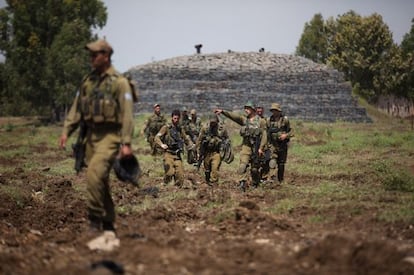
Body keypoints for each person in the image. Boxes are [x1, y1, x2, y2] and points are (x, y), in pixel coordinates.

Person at [59, 39, 135, 251]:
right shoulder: (88, 82)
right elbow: (76, 109)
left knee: (93, 174)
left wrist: (126, 142)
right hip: (90, 137)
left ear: (106, 56)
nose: (91, 59)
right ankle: (109, 224)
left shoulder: (119, 83)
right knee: (101, 180)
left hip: (110, 137)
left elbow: (128, 115)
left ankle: (94, 222)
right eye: (90, 55)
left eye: (95, 55)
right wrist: (67, 130)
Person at [215, 101, 267, 190]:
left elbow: (265, 135)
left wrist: (261, 148)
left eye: (248, 108)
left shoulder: (261, 121)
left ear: (253, 109)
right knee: (242, 166)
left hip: (256, 147)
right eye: (245, 108)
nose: (246, 110)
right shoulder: (244, 120)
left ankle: (256, 182)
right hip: (246, 146)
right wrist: (223, 112)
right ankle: (242, 182)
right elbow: (234, 116)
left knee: (254, 169)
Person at [154, 109, 194, 187]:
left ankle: (176, 190)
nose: (176, 120)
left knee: (180, 176)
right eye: (175, 118)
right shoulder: (166, 128)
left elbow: (186, 139)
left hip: (177, 155)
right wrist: (162, 145)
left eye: (178, 118)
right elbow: (156, 138)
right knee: (169, 173)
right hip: (168, 153)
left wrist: (192, 146)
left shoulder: (180, 129)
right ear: (172, 118)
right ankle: (165, 184)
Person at [196, 113, 229, 185]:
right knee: (207, 169)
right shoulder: (205, 128)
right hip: (207, 152)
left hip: (216, 152)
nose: (213, 124)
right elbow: (199, 140)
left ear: (217, 121)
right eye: (212, 122)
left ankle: (214, 184)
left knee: (215, 168)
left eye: (214, 122)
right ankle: (207, 181)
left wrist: (223, 147)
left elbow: (227, 139)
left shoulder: (222, 129)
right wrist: (198, 152)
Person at [266, 103, 293, 184]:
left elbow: (291, 131)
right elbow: (266, 133)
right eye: (273, 110)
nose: (274, 112)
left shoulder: (285, 120)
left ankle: (280, 180)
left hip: (282, 146)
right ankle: (272, 178)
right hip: (273, 145)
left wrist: (286, 135)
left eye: (276, 110)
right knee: (272, 162)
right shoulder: (269, 120)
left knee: (281, 164)